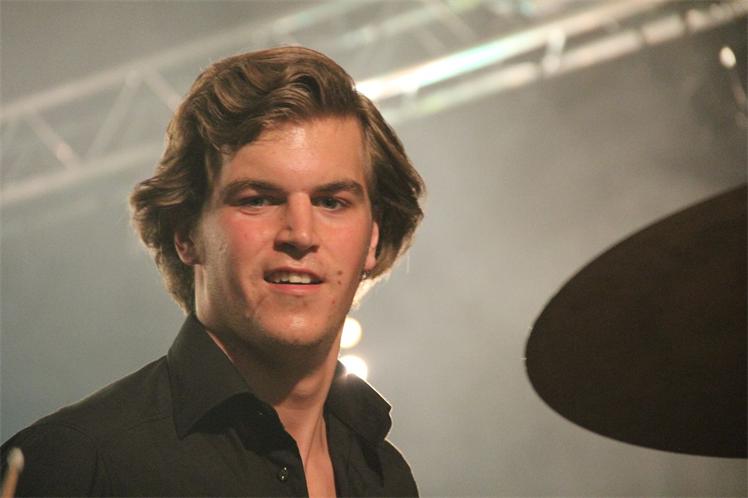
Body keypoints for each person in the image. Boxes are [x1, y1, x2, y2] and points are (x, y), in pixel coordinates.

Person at [0, 46, 425, 497]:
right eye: (258, 200)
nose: (301, 234)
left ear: (373, 237)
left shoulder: (386, 477)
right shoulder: (77, 464)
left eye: (331, 202)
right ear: (185, 232)